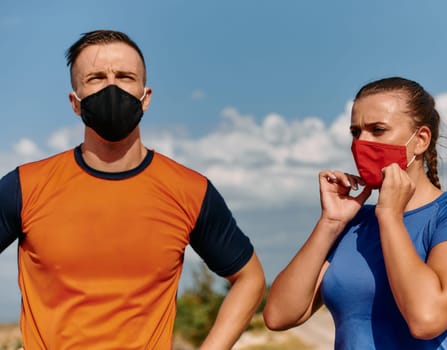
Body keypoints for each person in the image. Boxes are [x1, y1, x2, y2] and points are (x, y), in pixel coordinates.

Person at [0, 30, 265, 350]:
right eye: (96, 78)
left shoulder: (189, 190)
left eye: (125, 76)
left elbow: (249, 279)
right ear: (75, 101)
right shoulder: (26, 186)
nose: (112, 87)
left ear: (146, 96)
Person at [263, 77, 447, 349]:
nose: (362, 142)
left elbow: (426, 319)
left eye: (378, 130)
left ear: (420, 140)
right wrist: (330, 223)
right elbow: (279, 315)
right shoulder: (355, 223)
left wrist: (389, 216)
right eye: (355, 132)